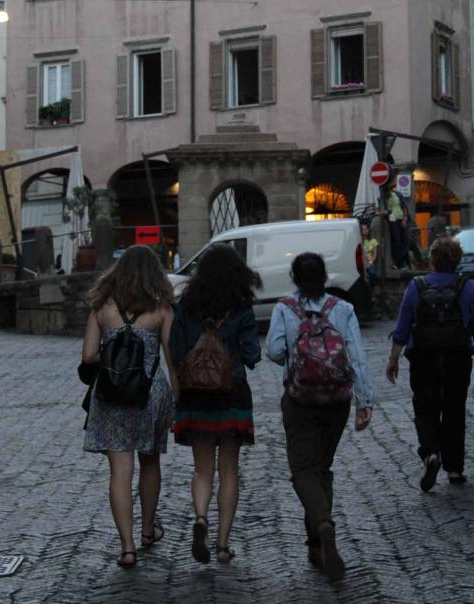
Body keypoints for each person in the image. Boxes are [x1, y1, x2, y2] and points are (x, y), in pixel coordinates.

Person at [266, 252, 374, 581]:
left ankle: (323, 524)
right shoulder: (342, 309)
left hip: (300, 399)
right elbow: (356, 355)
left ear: (295, 278)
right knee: (322, 467)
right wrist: (364, 401)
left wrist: (297, 353)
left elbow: (273, 350)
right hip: (337, 401)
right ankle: (317, 543)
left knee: (303, 469)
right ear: (325, 276)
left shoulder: (285, 308)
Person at [81, 245, 177, 569]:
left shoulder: (101, 308)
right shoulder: (162, 309)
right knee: (150, 462)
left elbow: (88, 357)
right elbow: (171, 357)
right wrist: (178, 401)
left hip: (111, 394)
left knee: (119, 472)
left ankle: (127, 547)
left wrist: (115, 353)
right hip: (151, 394)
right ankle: (149, 529)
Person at [169, 244, 261, 564]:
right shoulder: (242, 308)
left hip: (196, 395)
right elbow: (252, 356)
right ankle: (222, 545)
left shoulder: (186, 306)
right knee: (230, 470)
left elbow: (176, 350)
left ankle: (200, 518)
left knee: (202, 469)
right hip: (232, 392)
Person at [386, 236, 474, 490]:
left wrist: (393, 359)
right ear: (456, 260)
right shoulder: (467, 288)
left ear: (432, 260)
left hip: (423, 356)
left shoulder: (416, 286)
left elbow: (402, 327)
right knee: (455, 409)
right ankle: (455, 468)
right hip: (457, 356)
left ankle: (431, 452)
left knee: (425, 407)